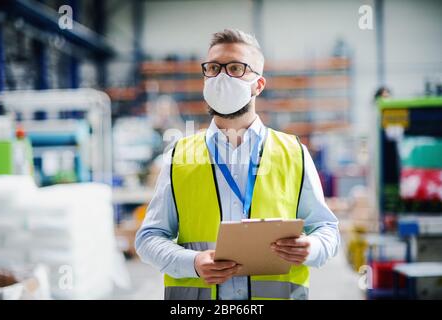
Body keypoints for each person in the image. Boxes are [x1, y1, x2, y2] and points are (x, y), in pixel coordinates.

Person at [135, 29, 340, 300]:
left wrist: (310, 247)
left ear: (259, 84)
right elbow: (148, 238)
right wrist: (193, 263)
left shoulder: (294, 153)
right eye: (213, 68)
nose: (221, 77)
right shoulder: (179, 157)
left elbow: (327, 229)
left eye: (235, 68)